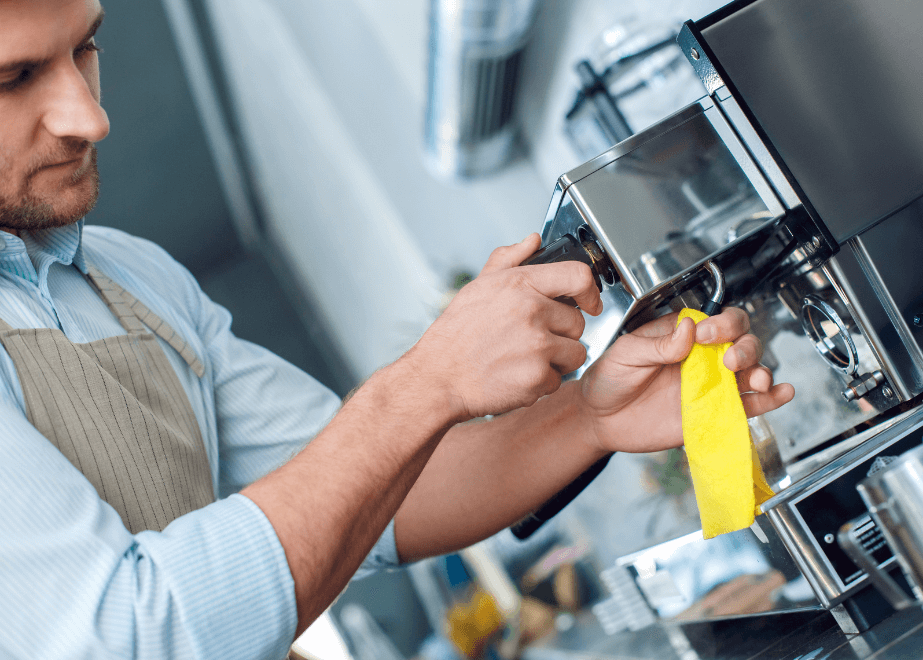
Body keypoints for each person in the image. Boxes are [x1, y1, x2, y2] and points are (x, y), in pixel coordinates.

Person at [0, 1, 794, 658]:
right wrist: (425, 384)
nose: (89, 116)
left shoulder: (130, 274)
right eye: (15, 77)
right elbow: (136, 637)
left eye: (87, 46)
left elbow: (380, 499)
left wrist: (588, 417)